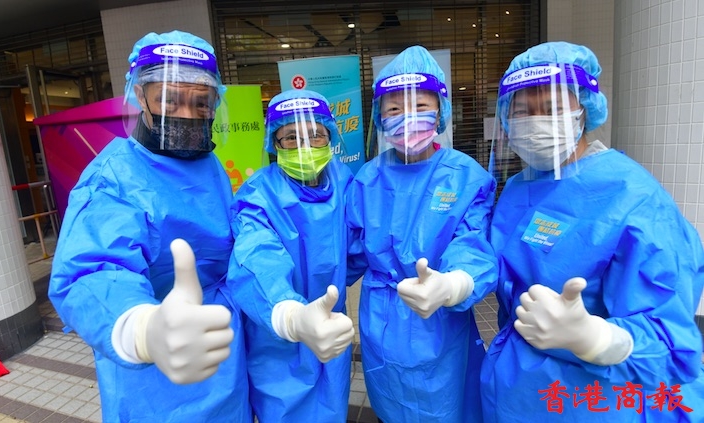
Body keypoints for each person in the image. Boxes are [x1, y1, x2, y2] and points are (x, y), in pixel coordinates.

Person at [481, 41, 704, 422]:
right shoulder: (519, 187)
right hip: (516, 389)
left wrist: (594, 338)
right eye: (522, 111)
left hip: (594, 399)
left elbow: (671, 345)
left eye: (552, 108)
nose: (536, 121)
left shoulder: (633, 196)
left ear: (584, 109)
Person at [48, 30, 252, 422]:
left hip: (220, 353)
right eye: (169, 100)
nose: (186, 115)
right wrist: (140, 329)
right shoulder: (114, 178)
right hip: (155, 373)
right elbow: (93, 270)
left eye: (201, 103)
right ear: (140, 96)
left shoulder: (208, 164)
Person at [345, 45, 498, 422]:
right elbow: (347, 254)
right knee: (389, 404)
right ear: (380, 117)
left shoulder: (465, 177)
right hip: (381, 320)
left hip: (440, 322)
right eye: (394, 109)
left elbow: (471, 244)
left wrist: (454, 284)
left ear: (440, 111)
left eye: (420, 106)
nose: (407, 118)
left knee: (445, 406)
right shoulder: (367, 179)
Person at [225, 89, 364, 422]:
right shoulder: (259, 194)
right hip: (278, 341)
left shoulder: (343, 182)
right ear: (274, 144)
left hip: (330, 326)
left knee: (332, 408)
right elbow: (256, 254)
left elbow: (357, 246)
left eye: (315, 135)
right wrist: (289, 313)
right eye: (290, 137)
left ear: (330, 136)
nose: (305, 147)